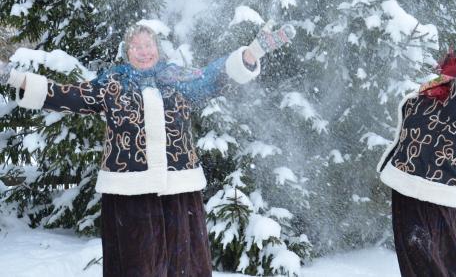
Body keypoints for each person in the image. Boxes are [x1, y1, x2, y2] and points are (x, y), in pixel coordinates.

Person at [0, 23, 295, 277]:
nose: (143, 51)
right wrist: (16, 78)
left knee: (184, 265)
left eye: (148, 44)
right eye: (136, 46)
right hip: (130, 195)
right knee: (136, 266)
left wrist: (249, 54)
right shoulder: (112, 83)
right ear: (127, 52)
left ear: (157, 48)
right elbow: (72, 96)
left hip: (179, 191)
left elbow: (213, 76)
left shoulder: (176, 78)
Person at [376, 41, 456, 277]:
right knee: (450, 264)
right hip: (415, 194)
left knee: (434, 267)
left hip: (428, 202)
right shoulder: (433, 95)